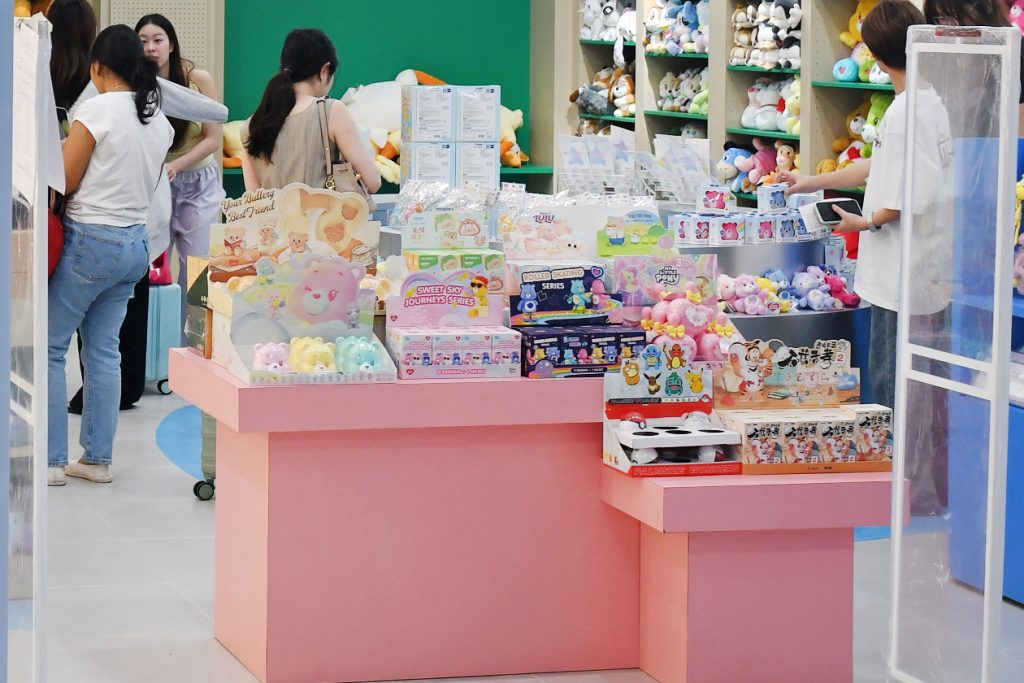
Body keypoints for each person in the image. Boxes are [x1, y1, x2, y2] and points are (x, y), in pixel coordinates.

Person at [779, 0, 953, 514]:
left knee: (896, 387)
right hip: (926, 272)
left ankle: (905, 493)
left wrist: (866, 221)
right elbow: (881, 166)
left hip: (901, 274)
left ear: (875, 56)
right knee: (924, 391)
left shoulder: (902, 113)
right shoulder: (930, 102)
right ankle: (924, 490)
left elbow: (909, 196)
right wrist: (813, 180)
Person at [46, 0, 228, 414]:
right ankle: (108, 430)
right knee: (108, 345)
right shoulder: (150, 109)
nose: (152, 46)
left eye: (157, 39)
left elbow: (69, 177)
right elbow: (215, 113)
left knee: (61, 344)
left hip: (100, 228)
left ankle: (59, 451)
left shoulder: (94, 101)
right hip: (138, 230)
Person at [49, 25, 174, 486]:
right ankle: (97, 460)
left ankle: (51, 462)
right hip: (134, 245)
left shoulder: (97, 109)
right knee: (104, 351)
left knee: (50, 347)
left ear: (99, 68)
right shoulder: (157, 120)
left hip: (89, 241)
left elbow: (65, 178)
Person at [137, 14, 226, 338]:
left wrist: (177, 165)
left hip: (197, 183)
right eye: (143, 41)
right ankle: (153, 347)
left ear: (171, 45)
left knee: (197, 270)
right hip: (155, 185)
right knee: (150, 269)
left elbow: (213, 139)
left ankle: (194, 345)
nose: (151, 47)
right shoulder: (135, 82)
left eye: (157, 40)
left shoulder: (196, 79)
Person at [241, 28, 381, 194]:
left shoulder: (251, 125)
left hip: (274, 212)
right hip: (326, 212)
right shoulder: (331, 111)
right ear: (324, 71)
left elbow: (254, 197)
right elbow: (373, 182)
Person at [923, 0, 1024, 132]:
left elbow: (1019, 124)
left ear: (985, 6)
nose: (953, 27)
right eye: (943, 18)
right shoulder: (938, 57)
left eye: (957, 16)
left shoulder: (1014, 51)